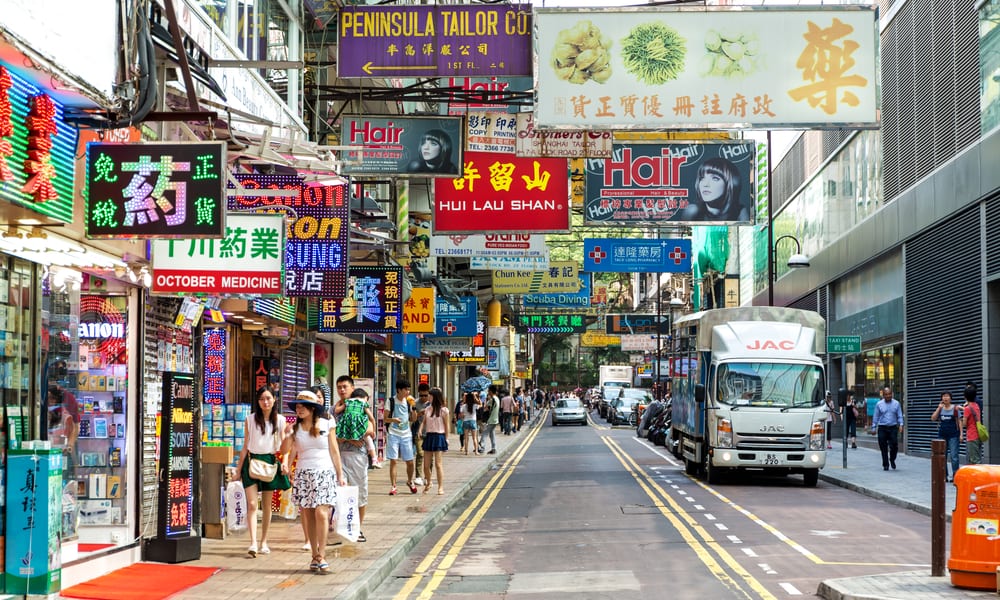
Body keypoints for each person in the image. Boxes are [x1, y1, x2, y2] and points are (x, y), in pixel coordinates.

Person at [281, 390, 346, 572]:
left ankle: (322, 555)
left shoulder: (327, 422)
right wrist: (287, 437)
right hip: (303, 473)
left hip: (325, 472)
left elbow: (334, 450)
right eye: (297, 407)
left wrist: (340, 474)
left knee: (321, 513)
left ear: (312, 408)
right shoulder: (294, 428)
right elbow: (285, 449)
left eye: (302, 406)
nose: (299, 409)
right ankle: (314, 555)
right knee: (308, 514)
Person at [235, 385, 291, 558]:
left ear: (274, 399)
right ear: (257, 402)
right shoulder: (250, 419)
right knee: (252, 504)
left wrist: (285, 462)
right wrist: (238, 470)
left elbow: (284, 447)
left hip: (270, 462)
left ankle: (264, 541)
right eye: (261, 399)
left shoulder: (280, 420)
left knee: (267, 505)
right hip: (252, 462)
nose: (265, 402)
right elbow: (245, 446)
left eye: (268, 398)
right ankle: (252, 542)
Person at [334, 380, 373, 543]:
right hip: (338, 456)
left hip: (358, 457)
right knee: (338, 494)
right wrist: (347, 437)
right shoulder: (334, 410)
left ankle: (357, 529)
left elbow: (371, 430)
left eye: (345, 387)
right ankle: (338, 528)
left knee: (360, 494)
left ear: (352, 388)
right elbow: (330, 435)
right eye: (339, 387)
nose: (342, 390)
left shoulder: (361, 405)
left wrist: (358, 436)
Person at [670, 157, 748, 222]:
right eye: (702, 178)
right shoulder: (692, 211)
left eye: (715, 178)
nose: (705, 184)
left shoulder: (740, 211)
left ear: (731, 184)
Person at [385, 380, 418, 495]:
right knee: (393, 460)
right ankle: (393, 486)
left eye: (409, 390)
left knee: (409, 461)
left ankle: (410, 481)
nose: (408, 392)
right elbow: (385, 419)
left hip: (406, 434)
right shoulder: (391, 401)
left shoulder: (409, 402)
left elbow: (413, 419)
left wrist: (414, 408)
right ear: (399, 390)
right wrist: (393, 420)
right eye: (406, 389)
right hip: (393, 433)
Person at [418, 387, 450, 495]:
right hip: (429, 436)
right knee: (426, 465)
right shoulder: (427, 409)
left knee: (438, 464)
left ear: (435, 397)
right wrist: (420, 429)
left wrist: (446, 439)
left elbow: (447, 426)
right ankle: (429, 482)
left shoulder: (444, 410)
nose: (428, 398)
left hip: (439, 436)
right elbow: (424, 421)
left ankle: (440, 487)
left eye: (430, 396)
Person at [871, 386, 904, 471]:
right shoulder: (879, 404)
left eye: (889, 394)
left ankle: (892, 459)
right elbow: (876, 416)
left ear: (892, 394)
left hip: (893, 427)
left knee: (894, 446)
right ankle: (885, 464)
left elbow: (899, 415)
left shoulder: (896, 403)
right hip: (882, 428)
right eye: (886, 394)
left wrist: (901, 425)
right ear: (883, 395)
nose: (888, 396)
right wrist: (874, 427)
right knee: (883, 447)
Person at [931, 391, 962, 481]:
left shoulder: (955, 409)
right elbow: (933, 418)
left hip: (953, 435)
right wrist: (938, 408)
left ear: (950, 398)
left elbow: (960, 421)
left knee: (954, 456)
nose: (945, 398)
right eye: (944, 396)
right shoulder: (940, 409)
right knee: (942, 456)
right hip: (942, 435)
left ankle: (955, 476)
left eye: (947, 396)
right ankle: (944, 475)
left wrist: (961, 434)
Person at [960, 389, 984, 465]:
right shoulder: (976, 406)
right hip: (978, 435)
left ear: (965, 397)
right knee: (976, 458)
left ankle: (979, 477)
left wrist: (961, 419)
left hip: (971, 436)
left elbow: (964, 424)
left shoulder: (967, 409)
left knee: (974, 460)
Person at [412, 383, 430, 486]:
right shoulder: (415, 403)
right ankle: (418, 476)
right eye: (421, 395)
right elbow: (412, 418)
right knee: (420, 453)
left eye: (425, 395)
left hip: (430, 432)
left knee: (430, 456)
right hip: (418, 432)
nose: (423, 397)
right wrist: (419, 413)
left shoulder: (432, 404)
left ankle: (428, 477)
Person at [478, 386, 500, 455]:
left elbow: (485, 407)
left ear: (490, 391)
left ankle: (482, 448)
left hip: (491, 419)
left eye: (488, 391)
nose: (488, 392)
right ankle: (494, 448)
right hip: (495, 419)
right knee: (492, 434)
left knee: (484, 433)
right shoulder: (497, 399)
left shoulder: (492, 399)